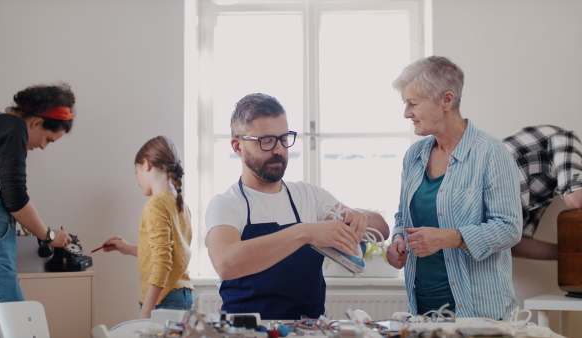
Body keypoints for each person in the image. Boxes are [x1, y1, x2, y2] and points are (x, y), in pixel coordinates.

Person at [205, 93, 389, 320]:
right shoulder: (226, 204)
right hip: (245, 332)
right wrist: (304, 233)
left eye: (284, 139)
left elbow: (382, 231)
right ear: (238, 146)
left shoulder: (311, 196)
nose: (278, 150)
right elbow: (226, 263)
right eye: (267, 141)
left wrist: (360, 217)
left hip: (309, 330)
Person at [386, 56, 522, 320]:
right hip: (422, 310)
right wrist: (397, 241)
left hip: (480, 311)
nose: (406, 113)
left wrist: (448, 238)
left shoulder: (492, 153)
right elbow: (403, 217)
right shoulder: (414, 156)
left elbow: (509, 228)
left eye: (413, 103)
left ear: (446, 100)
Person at [0, 83, 74, 321]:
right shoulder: (13, 127)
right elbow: (15, 198)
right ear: (36, 123)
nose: (43, 146)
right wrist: (50, 236)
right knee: (13, 322)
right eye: (48, 139)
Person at [101, 136, 194, 319]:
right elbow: (171, 253)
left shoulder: (155, 205)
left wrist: (147, 310)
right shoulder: (180, 204)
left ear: (146, 164)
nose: (137, 181)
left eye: (136, 172)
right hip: (183, 294)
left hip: (164, 298)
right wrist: (127, 248)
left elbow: (162, 262)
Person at [503, 125, 582, 260]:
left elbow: (513, 244)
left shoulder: (543, 186)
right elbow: (576, 200)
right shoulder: (566, 138)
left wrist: (570, 253)